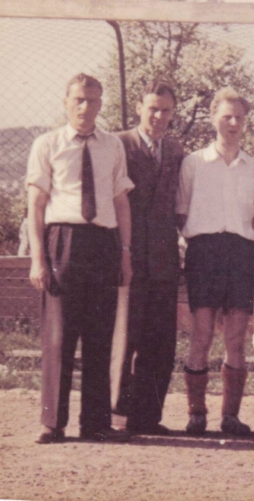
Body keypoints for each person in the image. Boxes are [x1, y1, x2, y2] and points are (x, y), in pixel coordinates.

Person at [26, 73, 134, 443]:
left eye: (93, 100)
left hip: (103, 243)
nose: (86, 107)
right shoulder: (47, 144)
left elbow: (120, 201)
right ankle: (52, 423)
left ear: (101, 103)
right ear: (66, 102)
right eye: (79, 100)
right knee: (58, 336)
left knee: (100, 335)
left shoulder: (112, 146)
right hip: (63, 242)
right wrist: (38, 258)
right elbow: (36, 204)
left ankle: (95, 422)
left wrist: (124, 253)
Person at [175, 87, 254, 437]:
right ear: (213, 118)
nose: (233, 123)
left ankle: (231, 416)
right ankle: (197, 413)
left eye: (239, 117)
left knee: (237, 339)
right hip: (203, 251)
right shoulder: (193, 163)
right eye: (226, 116)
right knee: (201, 334)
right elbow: (181, 213)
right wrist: (203, 240)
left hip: (240, 252)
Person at [109, 80, 183, 436]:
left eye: (166, 110)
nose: (158, 116)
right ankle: (119, 416)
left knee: (160, 341)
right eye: (152, 108)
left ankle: (148, 417)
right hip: (128, 257)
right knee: (125, 338)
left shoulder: (176, 151)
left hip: (165, 260)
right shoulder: (118, 145)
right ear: (140, 108)